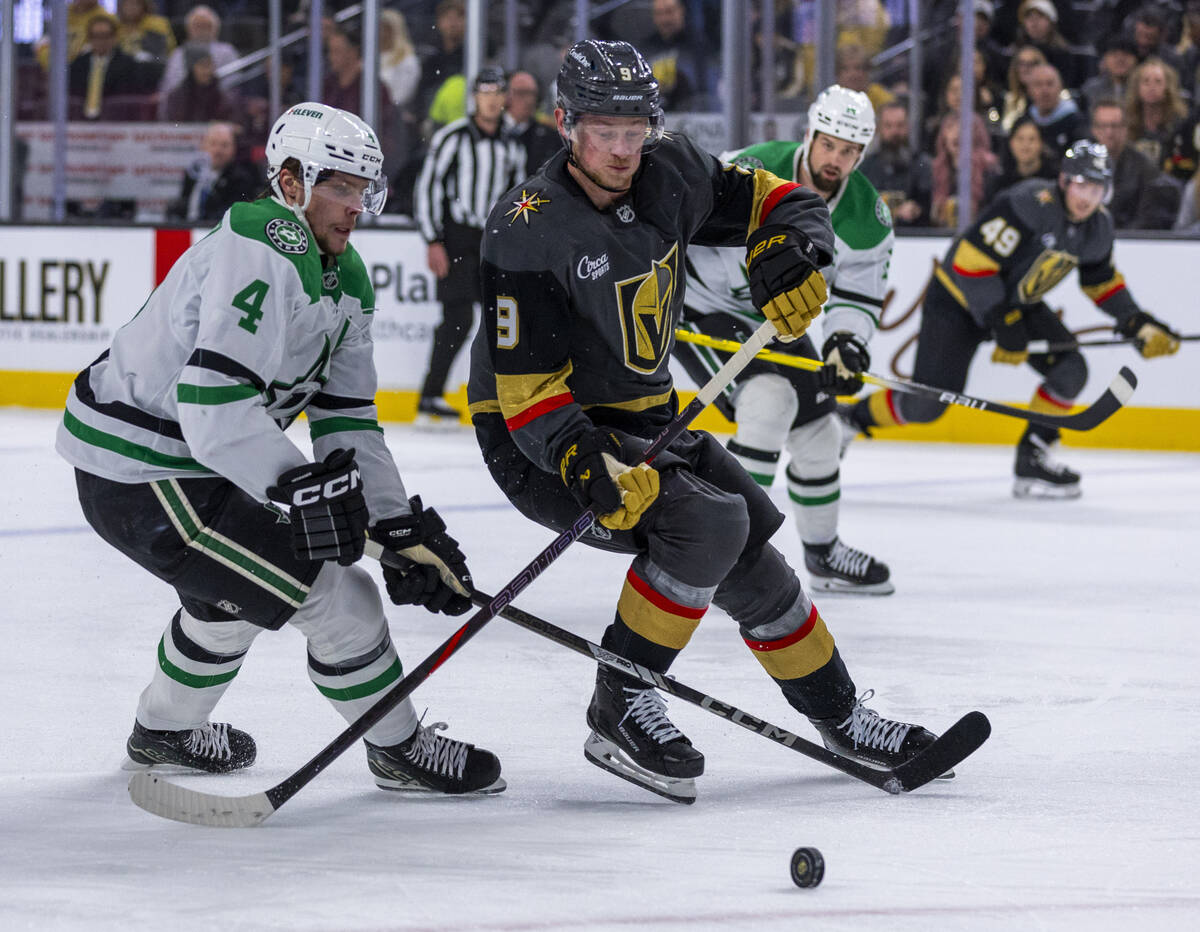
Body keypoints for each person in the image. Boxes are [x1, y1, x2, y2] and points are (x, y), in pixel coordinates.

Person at [467, 40, 944, 803]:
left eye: (636, 128)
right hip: (540, 437)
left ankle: (841, 715)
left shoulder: (676, 171)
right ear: (564, 124)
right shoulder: (527, 225)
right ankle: (620, 703)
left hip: (645, 412)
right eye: (603, 130)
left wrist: (791, 250)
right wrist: (585, 462)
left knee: (751, 546)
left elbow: (788, 202)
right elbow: (525, 392)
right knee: (706, 526)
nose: (623, 148)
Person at [55, 103, 503, 796]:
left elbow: (349, 419)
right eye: (340, 188)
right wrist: (306, 492)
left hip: (185, 465)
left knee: (230, 601)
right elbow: (212, 411)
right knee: (342, 602)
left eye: (363, 191)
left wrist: (397, 526)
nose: (354, 208)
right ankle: (397, 748)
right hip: (144, 471)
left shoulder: (346, 276)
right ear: (290, 181)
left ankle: (164, 734)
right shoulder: (264, 239)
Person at [841, 140, 1182, 499]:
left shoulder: (1098, 228)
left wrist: (1136, 321)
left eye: (1096, 189)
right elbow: (971, 263)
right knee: (929, 404)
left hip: (1017, 303)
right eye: (1081, 185)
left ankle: (1033, 454)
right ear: (1065, 182)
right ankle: (851, 418)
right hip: (957, 299)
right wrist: (1003, 323)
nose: (1087, 197)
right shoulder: (1029, 203)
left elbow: (1100, 282)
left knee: (1070, 368)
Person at [675, 86, 895, 596]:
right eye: (829, 144)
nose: (835, 159)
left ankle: (822, 553)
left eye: (848, 151)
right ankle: (729, 555)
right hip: (701, 304)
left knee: (821, 432)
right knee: (768, 402)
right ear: (811, 135)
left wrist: (846, 343)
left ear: (860, 154)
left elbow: (859, 296)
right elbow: (682, 215)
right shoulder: (753, 168)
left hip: (773, 318)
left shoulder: (865, 217)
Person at [414, 68, 526, 422]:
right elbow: (428, 187)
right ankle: (430, 395)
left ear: (505, 97)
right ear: (475, 97)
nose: (491, 99)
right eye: (485, 92)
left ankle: (500, 399)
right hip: (459, 236)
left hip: (493, 240)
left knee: (502, 322)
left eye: (497, 92)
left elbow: (518, 195)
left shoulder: (512, 141)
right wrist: (433, 239)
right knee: (457, 320)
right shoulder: (454, 137)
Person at [1089, 98, 1180, 229]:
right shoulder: (1084, 165)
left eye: (1115, 126)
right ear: (1093, 130)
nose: (1109, 133)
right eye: (1103, 126)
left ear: (1125, 128)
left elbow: (1149, 219)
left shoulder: (1145, 168)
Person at [166, 121, 262, 223]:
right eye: (213, 144)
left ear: (233, 149)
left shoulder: (240, 179)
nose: (218, 150)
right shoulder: (193, 174)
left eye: (224, 145)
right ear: (203, 146)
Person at [860, 98, 934, 226]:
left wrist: (917, 210)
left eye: (900, 125)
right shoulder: (865, 168)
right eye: (888, 126)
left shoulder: (922, 165)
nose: (895, 132)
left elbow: (928, 209)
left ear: (908, 127)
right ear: (879, 129)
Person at [68, 15, 145, 119]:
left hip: (115, 121)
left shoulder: (129, 65)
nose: (101, 41)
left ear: (114, 38)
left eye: (105, 36)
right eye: (96, 36)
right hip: (80, 123)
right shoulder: (77, 64)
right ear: (89, 38)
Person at [984, 116, 1060, 203]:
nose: (1025, 145)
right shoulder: (1000, 184)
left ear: (1041, 144)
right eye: (1020, 139)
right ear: (1011, 143)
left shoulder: (1054, 181)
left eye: (1031, 139)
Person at [505, 70, 560, 173]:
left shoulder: (549, 137)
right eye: (521, 93)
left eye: (532, 94)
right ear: (506, 95)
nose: (528, 100)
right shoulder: (492, 131)